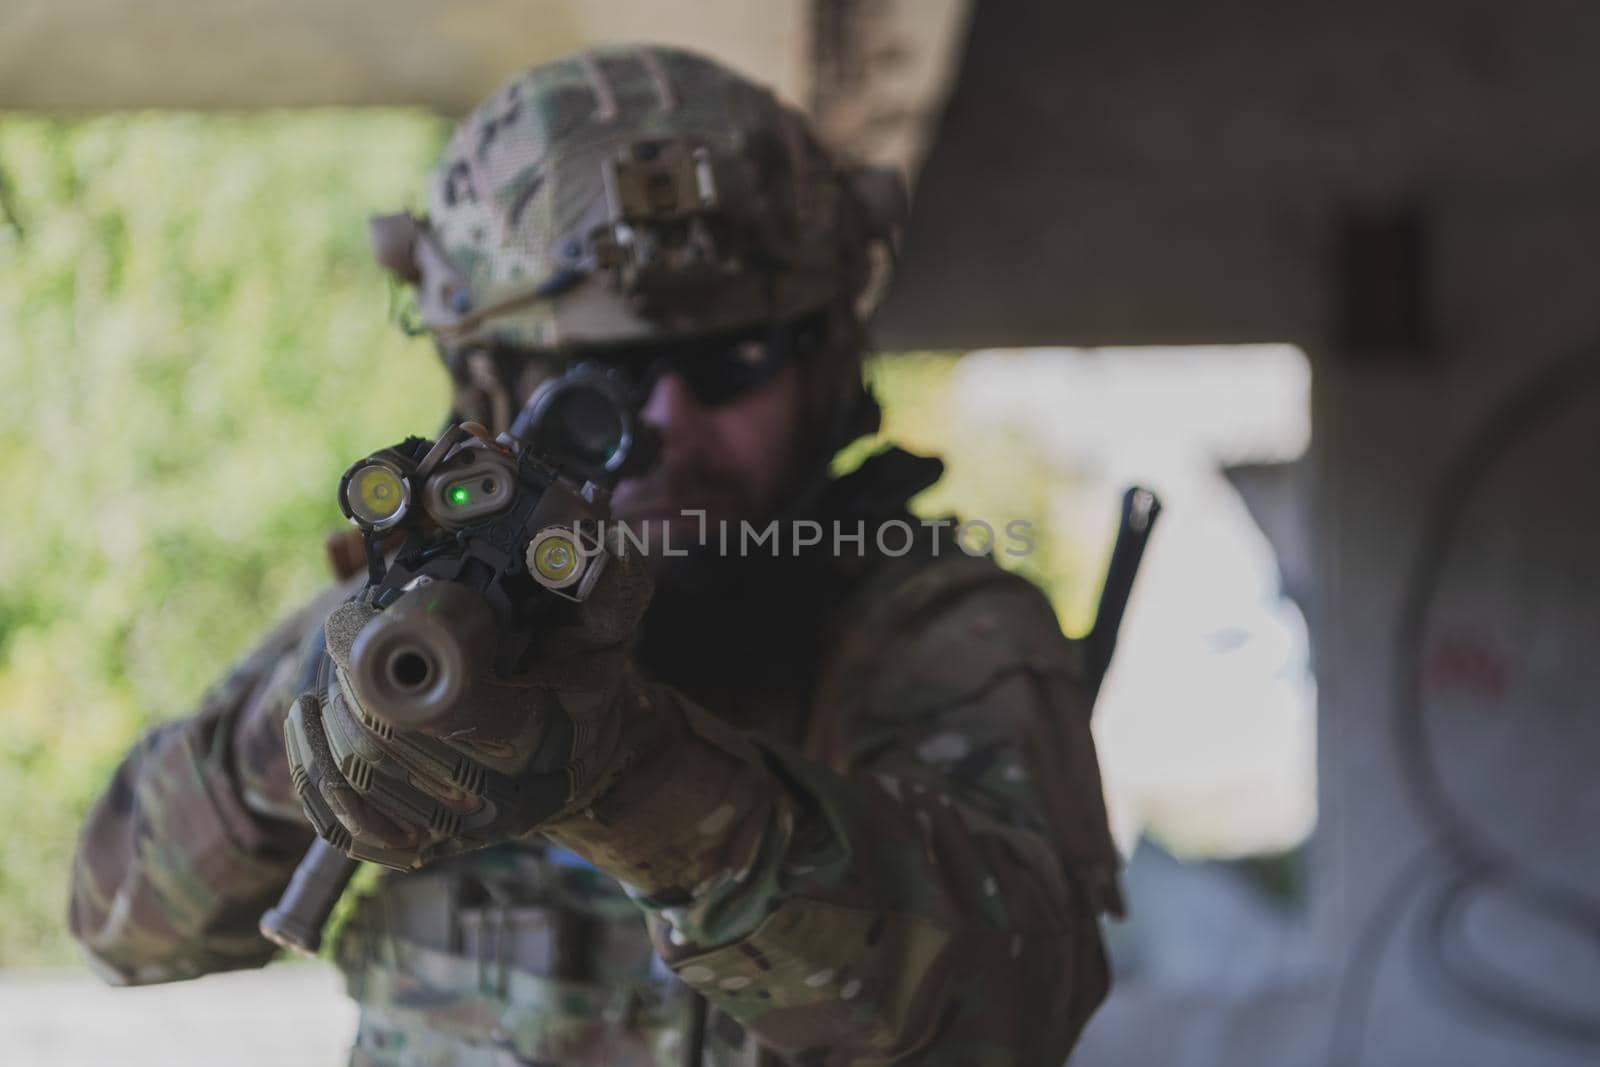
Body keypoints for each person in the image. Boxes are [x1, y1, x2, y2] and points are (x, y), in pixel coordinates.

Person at [69, 45, 1123, 1066]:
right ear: (485, 381)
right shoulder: (412, 627)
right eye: (591, 378)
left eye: (734, 359)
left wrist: (630, 772)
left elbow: (1014, 1009)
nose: (664, 423)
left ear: (824, 361)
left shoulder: (934, 628)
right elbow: (122, 922)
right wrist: (308, 732)